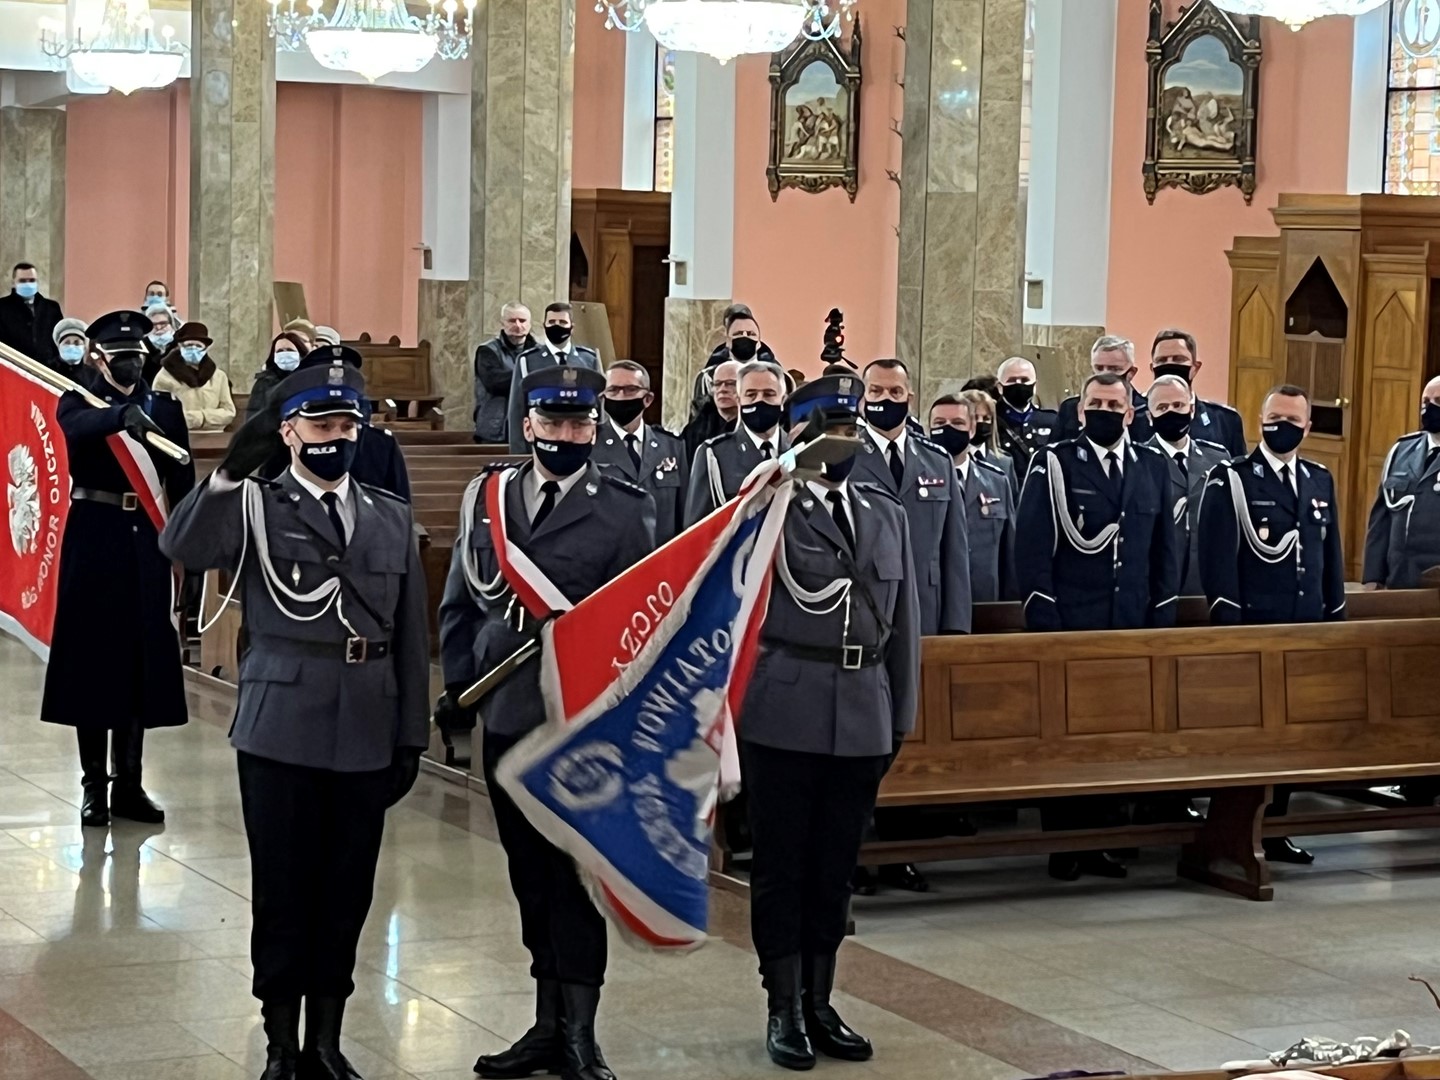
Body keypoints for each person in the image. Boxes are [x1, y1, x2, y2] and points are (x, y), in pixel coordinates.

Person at [161, 361, 429, 1080]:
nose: (336, 439)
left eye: (348, 426)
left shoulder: (389, 514)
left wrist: (411, 735)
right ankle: (281, 1041)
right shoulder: (256, 504)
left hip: (367, 725)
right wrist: (224, 477)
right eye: (320, 425)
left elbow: (408, 635)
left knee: (347, 891)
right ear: (288, 432)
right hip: (280, 724)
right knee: (284, 889)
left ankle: (327, 1040)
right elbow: (182, 549)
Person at [439, 365, 654, 1080]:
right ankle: (543, 1023)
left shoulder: (625, 506)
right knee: (529, 875)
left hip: (582, 726)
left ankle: (581, 1033)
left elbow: (640, 625)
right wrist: (469, 679)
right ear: (527, 424)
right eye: (553, 422)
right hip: (508, 716)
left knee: (576, 880)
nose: (567, 434)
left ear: (594, 426)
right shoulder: (488, 498)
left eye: (579, 423)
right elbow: (461, 602)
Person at [739, 373, 919, 1071]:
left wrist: (898, 713)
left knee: (836, 868)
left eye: (850, 428)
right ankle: (782, 1005)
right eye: (826, 429)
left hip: (863, 706)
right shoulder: (768, 507)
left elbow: (904, 626)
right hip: (784, 706)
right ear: (799, 434)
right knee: (782, 866)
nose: (841, 441)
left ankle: (821, 1000)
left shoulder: (884, 512)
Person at [1015, 372, 1180, 882]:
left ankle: (1106, 840)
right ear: (1081, 411)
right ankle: (1064, 845)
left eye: (1116, 403)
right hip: (1071, 619)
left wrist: (1161, 614)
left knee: (1115, 737)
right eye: (1096, 403)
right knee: (1065, 739)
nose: (1106, 411)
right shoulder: (1056, 463)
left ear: (1132, 412)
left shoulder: (1153, 465)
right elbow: (1033, 544)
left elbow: (1164, 550)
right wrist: (1045, 615)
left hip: (1128, 621)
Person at [40, 310, 194, 828]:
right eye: (121, 356)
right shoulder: (78, 400)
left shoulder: (166, 409)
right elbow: (76, 429)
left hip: (148, 541)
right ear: (98, 356)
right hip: (96, 535)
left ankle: (130, 783)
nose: (131, 363)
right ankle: (94, 789)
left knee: (139, 660)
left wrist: (187, 543)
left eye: (138, 356)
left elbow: (182, 480)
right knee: (93, 660)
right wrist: (117, 415)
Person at [1197, 384, 1345, 865]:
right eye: (1272, 418)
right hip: (1255, 626)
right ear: (1260, 421)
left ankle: (1276, 827)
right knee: (1249, 738)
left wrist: (1334, 615)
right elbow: (1217, 558)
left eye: (1291, 420)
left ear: (1308, 426)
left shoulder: (1320, 480)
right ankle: (1237, 829)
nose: (1281, 426)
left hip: (1303, 626)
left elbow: (1329, 556)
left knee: (1290, 738)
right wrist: (1229, 620)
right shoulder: (1233, 479)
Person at [852, 358, 971, 635]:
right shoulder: (845, 457)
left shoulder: (938, 461)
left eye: (895, 392)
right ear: (862, 401)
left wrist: (957, 625)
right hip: (865, 608)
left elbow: (954, 549)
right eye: (876, 391)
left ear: (910, 399)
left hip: (925, 608)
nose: (886, 398)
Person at [1144, 374, 1230, 596]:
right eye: (1162, 407)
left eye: (1178, 405)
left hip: (1205, 582)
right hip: (1156, 583)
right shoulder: (1139, 461)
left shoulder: (1218, 459)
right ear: (1149, 416)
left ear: (1191, 410)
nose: (1171, 412)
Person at [291, 345, 411, 502]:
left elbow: (400, 509)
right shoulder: (293, 441)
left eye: (347, 426)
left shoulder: (381, 445)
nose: (337, 435)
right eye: (323, 425)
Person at [930, 395, 1015, 603]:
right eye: (940, 423)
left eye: (958, 423)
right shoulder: (914, 480)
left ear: (971, 429)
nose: (949, 429)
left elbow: (1009, 553)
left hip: (984, 601)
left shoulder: (996, 481)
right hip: (934, 602)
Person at [593, 360, 688, 545]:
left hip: (661, 558)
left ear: (648, 399)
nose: (621, 396)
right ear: (603, 398)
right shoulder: (590, 444)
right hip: (609, 562)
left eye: (630, 390)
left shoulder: (672, 446)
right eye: (613, 390)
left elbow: (684, 513)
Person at [684, 359, 787, 526]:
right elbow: (697, 529)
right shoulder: (714, 455)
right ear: (739, 401)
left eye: (769, 394)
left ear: (783, 400)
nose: (759, 401)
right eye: (751, 394)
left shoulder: (800, 450)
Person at [1364, 375, 1440, 590]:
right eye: (1425, 402)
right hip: (1400, 578)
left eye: (1438, 402)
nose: (1429, 408)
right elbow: (1381, 519)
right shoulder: (1402, 451)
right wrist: (1373, 578)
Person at [506, 302, 602, 454]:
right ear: (544, 325)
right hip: (542, 444)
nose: (557, 326)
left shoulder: (589, 359)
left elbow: (600, 407)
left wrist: (599, 452)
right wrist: (519, 455)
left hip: (580, 443)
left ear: (572, 326)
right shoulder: (527, 360)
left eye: (562, 322)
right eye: (552, 322)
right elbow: (517, 411)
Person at [1150, 328, 1247, 457]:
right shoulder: (1135, 421)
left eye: (1178, 359)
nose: (1170, 365)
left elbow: (1239, 472)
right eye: (1162, 360)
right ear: (1152, 368)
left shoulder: (1225, 421)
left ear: (1195, 368)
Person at [685, 304, 778, 426]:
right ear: (727, 341)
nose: (744, 337)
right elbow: (697, 421)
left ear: (759, 342)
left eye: (750, 334)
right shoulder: (707, 377)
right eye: (738, 333)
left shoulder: (775, 376)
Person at [1052, 336, 1153, 444]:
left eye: (1114, 369)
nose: (1105, 374)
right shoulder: (1071, 408)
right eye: (1099, 368)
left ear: (1131, 372)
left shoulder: (1146, 412)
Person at [151, 321, 236, 432]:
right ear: (180, 346)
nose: (193, 349)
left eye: (198, 346)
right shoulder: (164, 377)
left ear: (205, 348)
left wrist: (198, 417)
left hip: (215, 437)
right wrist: (211, 418)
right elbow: (163, 415)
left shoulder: (219, 376)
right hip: (179, 436)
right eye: (189, 345)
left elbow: (229, 412)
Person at [474, 301, 535, 445]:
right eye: (512, 320)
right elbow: (495, 383)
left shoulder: (538, 352)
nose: (518, 325)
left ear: (530, 324)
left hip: (530, 427)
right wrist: (532, 376)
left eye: (522, 320)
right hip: (496, 428)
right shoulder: (487, 351)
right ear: (502, 323)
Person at [994, 356, 1057, 472]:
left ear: (1035, 385)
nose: (1018, 384)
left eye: (1024, 380)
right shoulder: (992, 420)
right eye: (1011, 380)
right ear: (1000, 387)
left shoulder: (1052, 420)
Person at [0, 262, 64, 367]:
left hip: (48, 368)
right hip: (15, 368)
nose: (28, 284)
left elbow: (59, 339)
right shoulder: (2, 308)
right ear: (13, 283)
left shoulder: (51, 308)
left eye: (32, 280)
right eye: (23, 281)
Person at [960, 388, 1020, 494]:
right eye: (974, 417)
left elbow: (1012, 505)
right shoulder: (949, 460)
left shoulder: (1004, 462)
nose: (980, 423)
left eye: (986, 418)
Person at [681, 356, 742, 460]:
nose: (722, 390)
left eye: (731, 384)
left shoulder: (757, 426)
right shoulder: (696, 429)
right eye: (717, 384)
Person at [248, 333, 310, 421]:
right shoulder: (264, 383)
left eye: (289, 350)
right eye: (280, 351)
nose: (285, 354)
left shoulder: (312, 379)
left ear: (300, 353)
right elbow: (253, 417)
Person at [139, 305, 177, 384]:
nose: (159, 327)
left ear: (171, 324)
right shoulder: (141, 346)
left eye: (163, 323)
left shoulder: (179, 344)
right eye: (154, 325)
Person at [51, 317, 92, 382]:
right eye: (67, 343)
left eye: (77, 343)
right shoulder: (48, 368)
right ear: (59, 346)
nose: (71, 346)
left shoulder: (92, 375)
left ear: (84, 347)